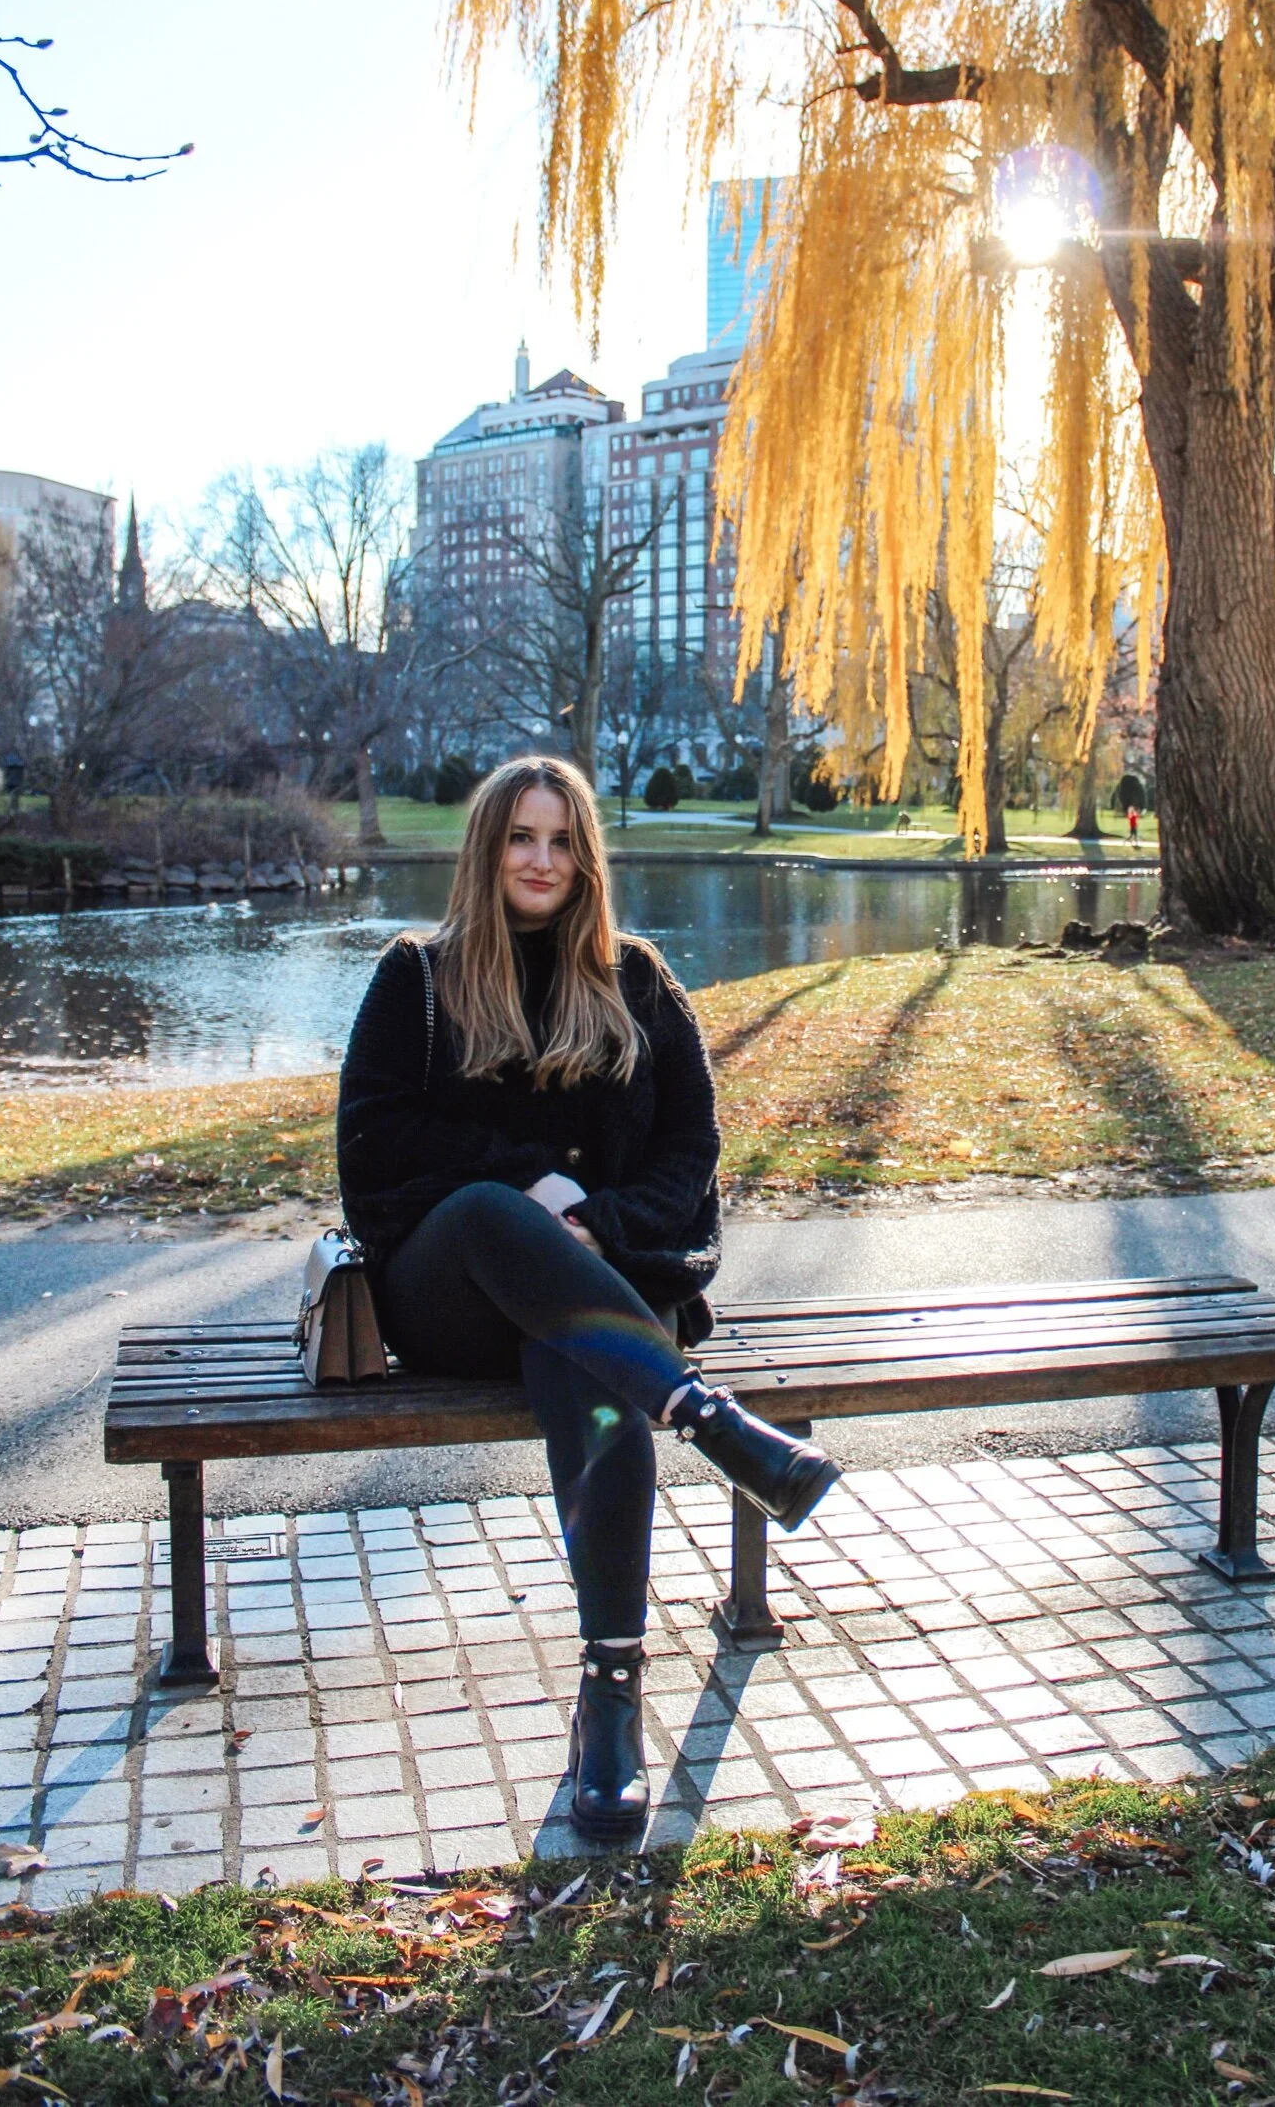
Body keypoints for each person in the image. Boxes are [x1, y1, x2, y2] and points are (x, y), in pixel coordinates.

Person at [336, 755, 839, 1839]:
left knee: (586, 1358)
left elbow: (691, 1150)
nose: (541, 860)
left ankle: (610, 1693)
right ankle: (710, 1421)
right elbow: (373, 1143)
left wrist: (596, 1225)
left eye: (562, 841)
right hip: (453, 1294)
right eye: (522, 837)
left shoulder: (638, 979)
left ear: (587, 857)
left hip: (607, 1294)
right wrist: (531, 1191)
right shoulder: (417, 976)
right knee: (490, 1213)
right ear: (488, 847)